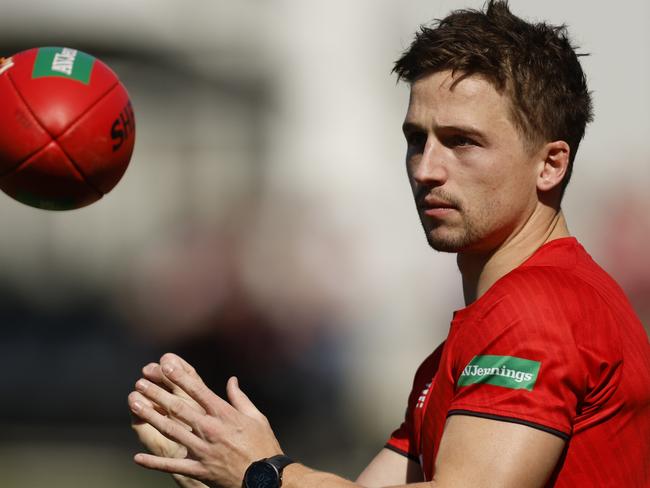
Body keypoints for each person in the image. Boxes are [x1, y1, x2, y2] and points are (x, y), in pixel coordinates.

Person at [128, 1, 650, 487]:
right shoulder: (463, 348)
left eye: (462, 141)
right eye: (416, 139)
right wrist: (226, 472)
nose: (426, 169)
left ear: (550, 164)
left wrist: (265, 473)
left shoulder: (535, 312)